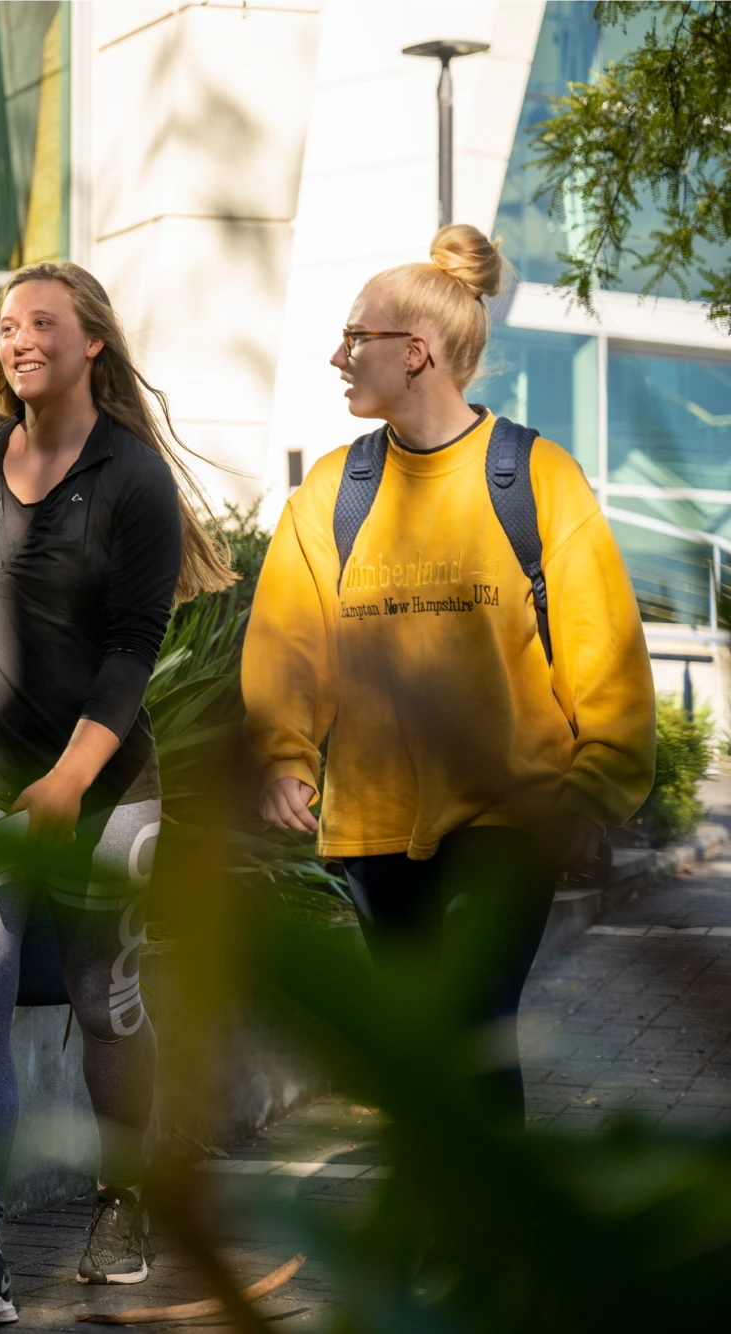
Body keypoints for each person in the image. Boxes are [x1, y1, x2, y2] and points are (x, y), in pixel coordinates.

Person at [0, 261, 233, 1328]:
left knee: (102, 996)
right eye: (5, 324)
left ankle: (122, 1195)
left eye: (41, 321)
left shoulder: (130, 480)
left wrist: (68, 779)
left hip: (104, 792)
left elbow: (131, 652)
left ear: (92, 343)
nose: (17, 337)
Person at [243, 224, 655, 1120]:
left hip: (511, 815)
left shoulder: (535, 477)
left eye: (356, 338)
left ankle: (479, 1247)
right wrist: (284, 754)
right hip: (374, 825)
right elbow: (287, 638)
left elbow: (606, 655)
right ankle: (449, 1224)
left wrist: (588, 797)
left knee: (472, 1024)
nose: (337, 356)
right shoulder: (331, 491)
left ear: (417, 352)